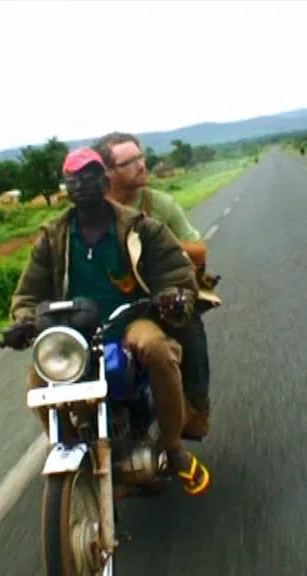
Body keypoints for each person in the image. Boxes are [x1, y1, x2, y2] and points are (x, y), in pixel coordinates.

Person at [3, 147, 210, 496]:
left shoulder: (141, 228)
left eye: (89, 177)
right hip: (74, 331)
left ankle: (173, 446)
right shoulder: (53, 238)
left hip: (130, 320)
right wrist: (24, 322)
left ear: (104, 180)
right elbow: (28, 294)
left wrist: (171, 297)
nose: (81, 185)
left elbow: (176, 273)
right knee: (39, 378)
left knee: (157, 349)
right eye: (73, 179)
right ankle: (74, 455)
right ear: (65, 187)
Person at [94, 131, 220, 440]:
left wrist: (157, 238)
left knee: (188, 325)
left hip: (158, 297)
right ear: (108, 173)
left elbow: (199, 251)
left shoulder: (159, 204)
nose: (141, 165)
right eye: (130, 161)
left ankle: (196, 409)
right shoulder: (91, 213)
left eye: (141, 157)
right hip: (110, 305)